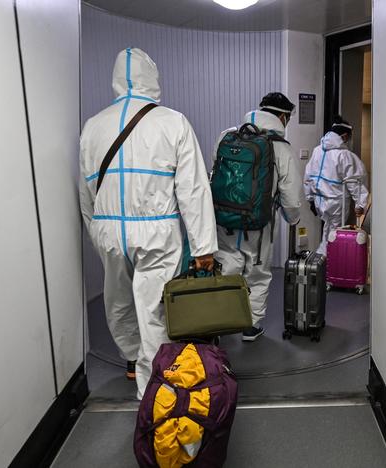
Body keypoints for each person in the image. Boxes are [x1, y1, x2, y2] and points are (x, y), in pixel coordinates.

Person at [79, 48, 217, 399]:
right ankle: (155, 393)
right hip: (157, 228)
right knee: (155, 308)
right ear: (152, 80)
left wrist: (95, 231)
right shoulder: (172, 121)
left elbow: (85, 189)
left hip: (108, 228)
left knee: (118, 302)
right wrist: (203, 247)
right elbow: (193, 189)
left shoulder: (94, 125)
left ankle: (132, 358)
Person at [213, 92, 302, 342]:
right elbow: (292, 196)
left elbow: (215, 172)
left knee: (225, 266)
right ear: (282, 116)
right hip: (258, 224)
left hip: (224, 218)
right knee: (258, 273)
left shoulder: (227, 136)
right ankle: (250, 327)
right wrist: (292, 219)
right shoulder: (282, 148)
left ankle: (217, 324)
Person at [304, 115, 369, 256]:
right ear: (344, 137)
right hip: (337, 203)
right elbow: (355, 182)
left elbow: (308, 176)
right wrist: (360, 204)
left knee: (327, 232)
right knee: (333, 236)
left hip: (319, 201)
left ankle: (321, 264)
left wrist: (309, 198)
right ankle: (327, 266)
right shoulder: (344, 156)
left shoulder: (317, 151)